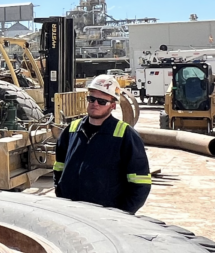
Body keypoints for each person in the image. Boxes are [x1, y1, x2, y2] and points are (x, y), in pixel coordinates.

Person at [53, 74, 152, 214]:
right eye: (91, 99)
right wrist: (60, 190)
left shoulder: (125, 135)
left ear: (112, 105)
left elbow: (141, 183)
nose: (95, 104)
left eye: (101, 101)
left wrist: (123, 214)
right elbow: (59, 166)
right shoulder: (72, 130)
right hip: (70, 212)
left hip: (105, 216)